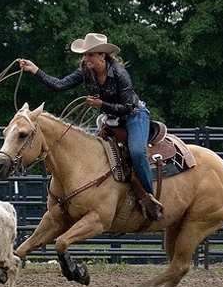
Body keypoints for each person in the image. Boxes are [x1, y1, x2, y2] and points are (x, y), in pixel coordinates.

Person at [17, 32, 163, 221]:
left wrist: (101, 105)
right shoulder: (85, 72)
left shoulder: (120, 74)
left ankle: (149, 199)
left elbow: (128, 106)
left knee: (137, 152)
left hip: (134, 116)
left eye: (90, 55)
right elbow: (60, 85)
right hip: (110, 119)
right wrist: (35, 70)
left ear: (102, 55)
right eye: (85, 55)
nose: (86, 59)